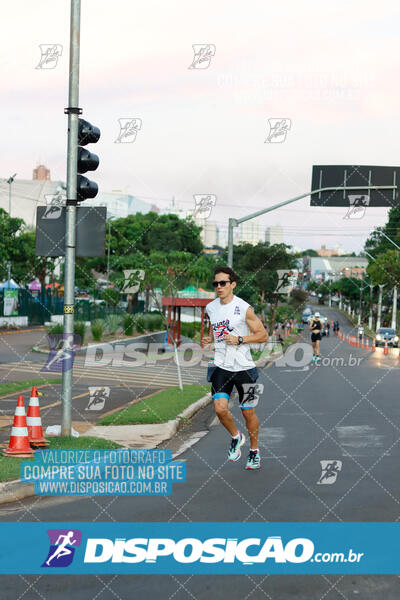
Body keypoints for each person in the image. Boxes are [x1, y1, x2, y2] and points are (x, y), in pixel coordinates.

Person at [203, 266, 268, 470]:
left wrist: (240, 339)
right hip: (221, 365)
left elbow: (263, 335)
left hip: (245, 369)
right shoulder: (211, 308)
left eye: (223, 283)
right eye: (216, 283)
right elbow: (216, 329)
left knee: (248, 412)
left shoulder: (244, 308)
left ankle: (254, 451)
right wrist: (209, 338)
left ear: (233, 284)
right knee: (220, 409)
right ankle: (235, 436)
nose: (219, 287)